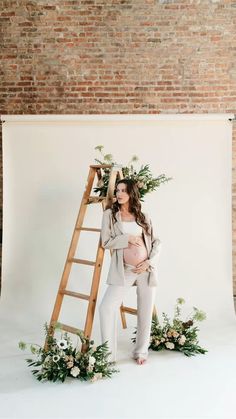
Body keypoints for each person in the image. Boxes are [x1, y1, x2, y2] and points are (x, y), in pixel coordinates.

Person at [99, 178, 162, 365]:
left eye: (123, 190)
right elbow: (106, 241)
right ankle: (108, 355)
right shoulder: (110, 215)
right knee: (106, 308)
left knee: (145, 310)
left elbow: (157, 242)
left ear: (131, 193)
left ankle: (141, 352)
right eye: (117, 190)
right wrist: (126, 239)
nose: (119, 194)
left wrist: (149, 262)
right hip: (124, 269)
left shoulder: (143, 215)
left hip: (145, 269)